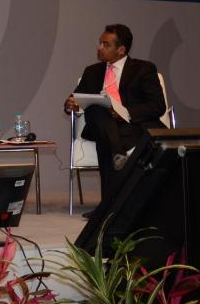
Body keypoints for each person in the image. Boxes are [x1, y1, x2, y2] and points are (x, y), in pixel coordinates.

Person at [64, 23, 166, 211]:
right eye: (99, 43)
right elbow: (74, 99)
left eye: (105, 44)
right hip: (102, 124)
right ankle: (117, 154)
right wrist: (71, 104)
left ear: (121, 50)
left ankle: (107, 206)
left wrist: (123, 111)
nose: (99, 47)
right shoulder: (92, 71)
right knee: (95, 108)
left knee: (106, 139)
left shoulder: (143, 69)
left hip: (132, 126)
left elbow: (157, 106)